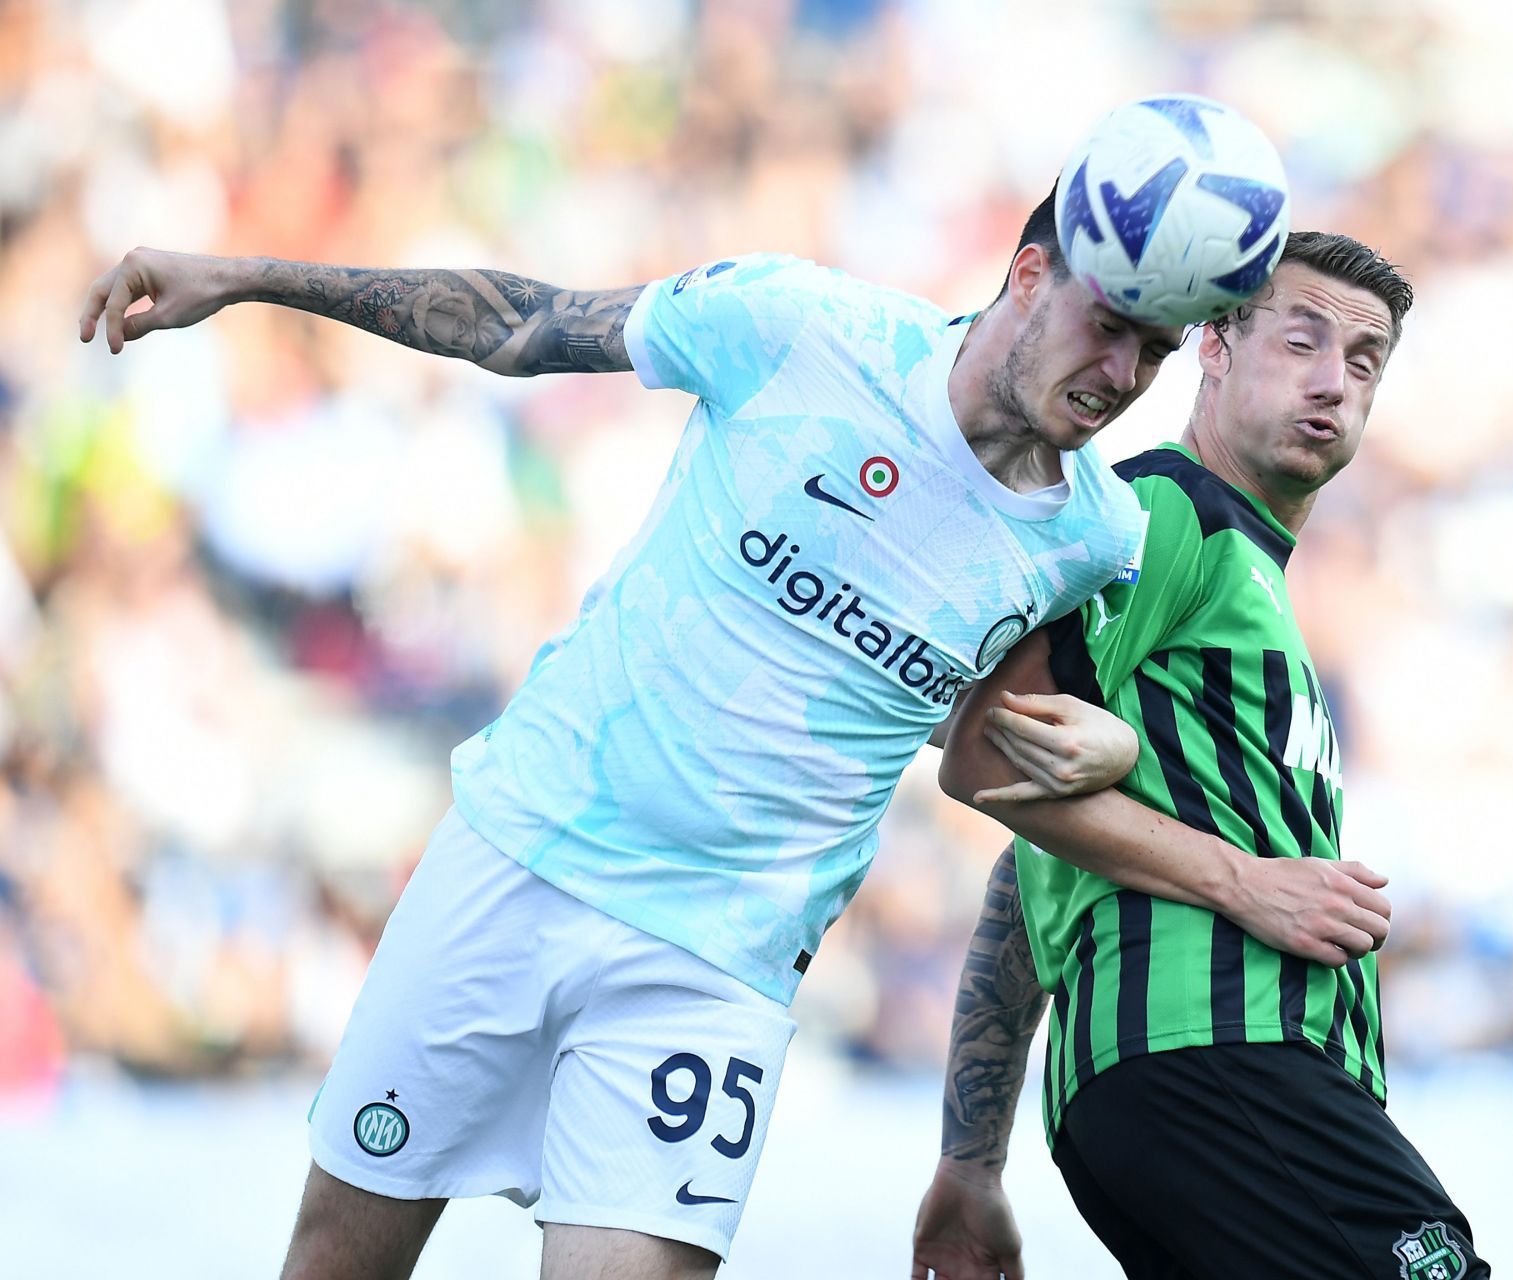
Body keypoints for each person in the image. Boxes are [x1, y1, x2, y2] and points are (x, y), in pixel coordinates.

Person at [78, 187, 1197, 1280]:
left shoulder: (1097, 535)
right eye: (1109, 330)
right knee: (334, 1260)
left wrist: (1119, 750)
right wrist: (246, 276)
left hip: (716, 962)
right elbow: (519, 327)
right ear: (1030, 272)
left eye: (1156, 351)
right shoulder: (798, 325)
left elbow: (990, 745)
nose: (1123, 378)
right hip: (519, 853)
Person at [912, 232, 1492, 1279]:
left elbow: (1034, 867)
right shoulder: (1172, 509)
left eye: (1363, 360)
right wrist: (1251, 884)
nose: (1333, 381)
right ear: (1212, 346)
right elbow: (988, 751)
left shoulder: (1249, 578)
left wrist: (973, 1158)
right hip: (1219, 1057)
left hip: (1171, 1089)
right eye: (1301, 340)